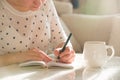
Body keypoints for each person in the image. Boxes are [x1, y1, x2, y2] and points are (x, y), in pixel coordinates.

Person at [0, 0, 75, 66]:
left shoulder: (46, 3)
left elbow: (61, 40)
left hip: (42, 74)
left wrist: (67, 52)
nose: (39, 3)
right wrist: (18, 57)